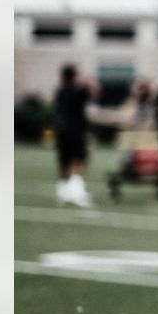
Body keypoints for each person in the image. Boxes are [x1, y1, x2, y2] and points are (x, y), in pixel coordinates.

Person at [53, 63, 97, 207]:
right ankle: (76, 192)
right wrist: (87, 81)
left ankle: (62, 191)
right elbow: (94, 93)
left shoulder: (59, 91)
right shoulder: (79, 91)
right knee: (79, 160)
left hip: (61, 129)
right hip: (76, 130)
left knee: (63, 161)